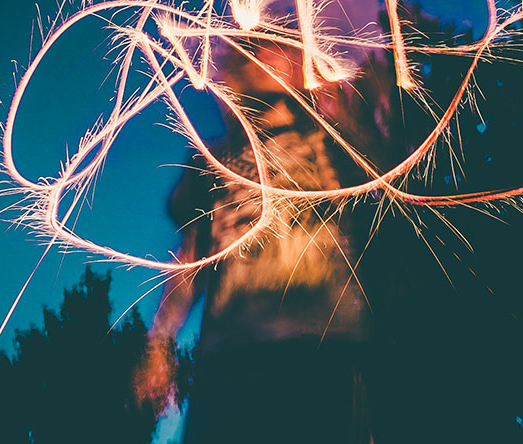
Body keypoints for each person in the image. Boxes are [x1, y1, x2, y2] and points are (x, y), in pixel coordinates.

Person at [134, 41, 378, 444]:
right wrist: (159, 339)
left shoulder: (337, 139)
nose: (259, 56)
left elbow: (391, 174)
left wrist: (350, 107)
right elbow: (192, 257)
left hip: (326, 347)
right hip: (232, 355)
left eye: (271, 47)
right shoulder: (210, 159)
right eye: (251, 50)